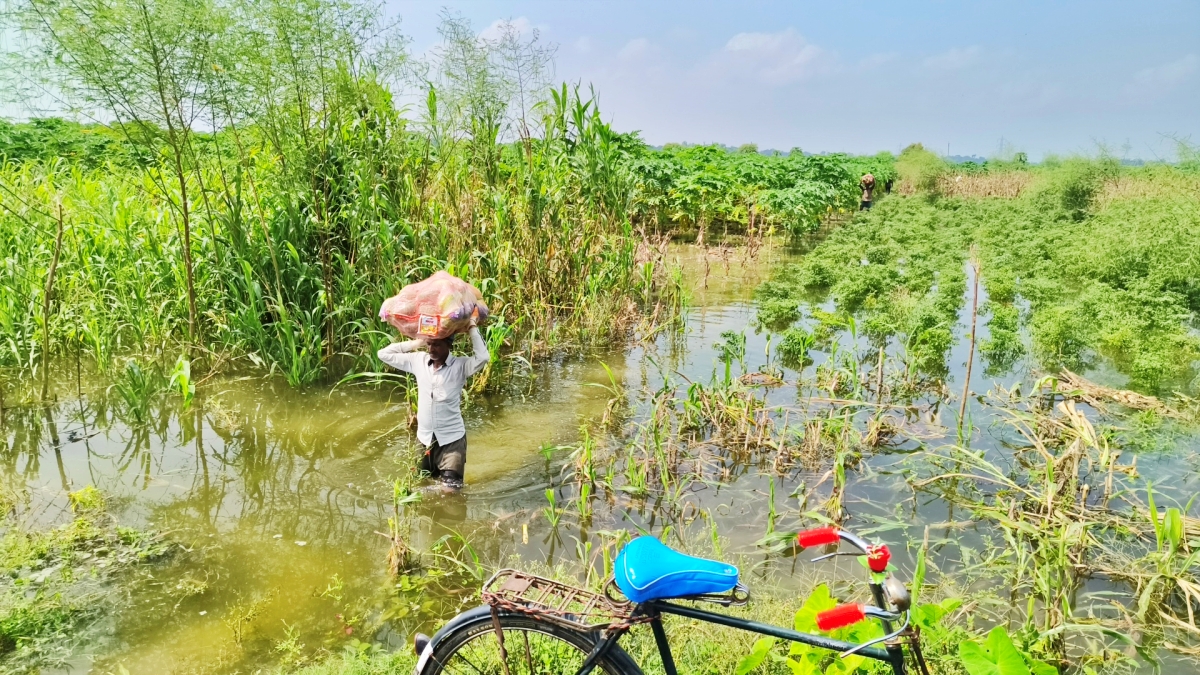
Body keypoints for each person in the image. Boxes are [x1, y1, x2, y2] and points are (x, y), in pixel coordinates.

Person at [377, 319, 489, 489]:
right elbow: (383, 354)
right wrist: (418, 342)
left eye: (436, 345)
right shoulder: (418, 361)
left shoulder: (460, 366)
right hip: (424, 439)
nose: (431, 349)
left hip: (451, 441)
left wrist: (472, 327)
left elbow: (483, 357)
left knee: (451, 491)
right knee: (421, 486)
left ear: (448, 345)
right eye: (429, 344)